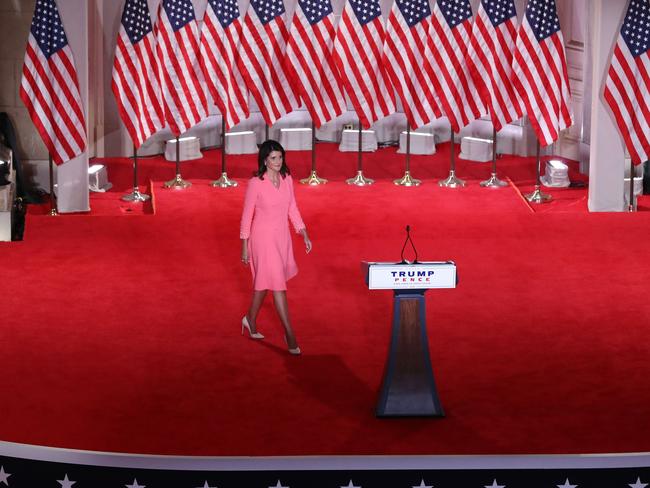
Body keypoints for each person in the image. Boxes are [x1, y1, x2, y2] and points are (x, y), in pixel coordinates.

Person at [240, 140, 312, 355]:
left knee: (264, 283)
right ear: (265, 160)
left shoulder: (287, 179)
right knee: (278, 285)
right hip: (262, 239)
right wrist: (244, 246)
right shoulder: (256, 183)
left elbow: (292, 208)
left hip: (281, 237)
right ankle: (290, 335)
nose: (278, 161)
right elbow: (246, 216)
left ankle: (250, 319)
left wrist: (303, 232)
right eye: (273, 158)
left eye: (280, 157)